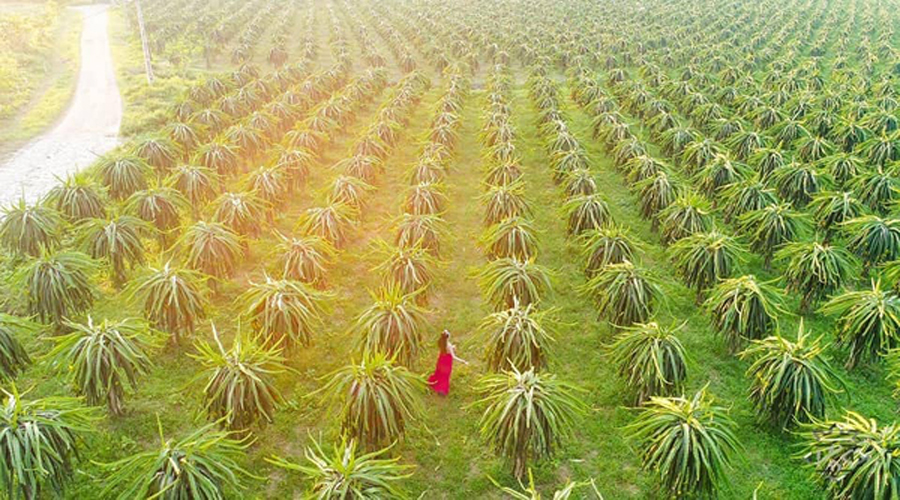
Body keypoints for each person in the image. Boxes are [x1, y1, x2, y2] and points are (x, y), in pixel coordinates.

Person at [427, 330, 468, 395]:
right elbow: (454, 356)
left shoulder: (441, 342)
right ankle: (441, 390)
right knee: (445, 376)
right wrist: (463, 361)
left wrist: (452, 347)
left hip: (441, 360)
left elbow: (446, 349)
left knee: (439, 373)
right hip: (447, 362)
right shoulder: (448, 345)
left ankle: (433, 383)